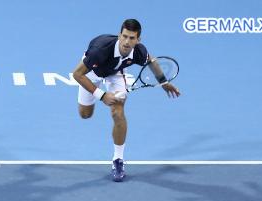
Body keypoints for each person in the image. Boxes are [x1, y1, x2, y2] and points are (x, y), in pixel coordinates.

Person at [72, 19, 181, 182]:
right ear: (119, 35)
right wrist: (101, 95)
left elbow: (151, 61)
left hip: (115, 73)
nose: (127, 42)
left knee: (118, 112)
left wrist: (164, 83)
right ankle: (93, 97)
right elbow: (77, 74)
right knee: (85, 114)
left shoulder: (139, 52)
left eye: (131, 38)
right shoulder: (100, 50)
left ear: (138, 40)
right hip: (91, 72)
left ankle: (118, 160)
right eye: (124, 36)